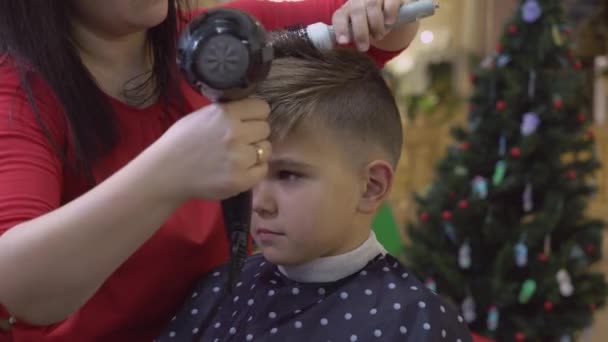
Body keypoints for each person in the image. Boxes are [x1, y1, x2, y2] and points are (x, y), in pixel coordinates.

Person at [0, 0, 420, 341]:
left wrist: (376, 11)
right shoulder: (18, 96)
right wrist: (168, 172)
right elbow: (21, 288)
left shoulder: (221, 39)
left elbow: (382, 33)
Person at [156, 39, 473, 342]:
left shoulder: (414, 323)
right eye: (250, 170)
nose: (258, 203)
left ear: (370, 187)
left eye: (288, 175)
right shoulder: (218, 292)